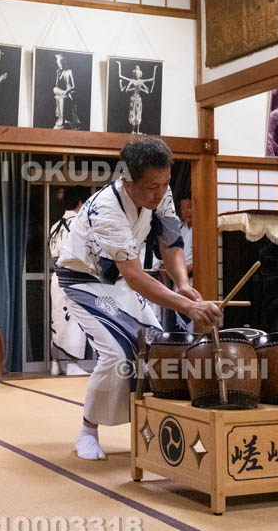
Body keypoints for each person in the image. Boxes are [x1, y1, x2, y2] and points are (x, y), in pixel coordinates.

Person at [57, 138, 222, 459]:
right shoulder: (107, 208)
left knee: (157, 347)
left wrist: (183, 284)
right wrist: (189, 306)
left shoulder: (161, 192)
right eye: (152, 187)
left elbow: (170, 242)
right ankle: (88, 430)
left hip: (120, 279)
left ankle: (151, 429)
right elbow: (134, 276)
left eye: (165, 184)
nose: (159, 193)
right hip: (84, 280)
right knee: (117, 353)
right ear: (127, 180)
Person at [48, 186, 92, 377]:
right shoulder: (78, 224)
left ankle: (55, 362)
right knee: (75, 320)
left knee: (58, 318)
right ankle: (72, 364)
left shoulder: (55, 226)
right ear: (81, 203)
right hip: (73, 277)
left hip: (57, 277)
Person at [116, 61, 158, 135]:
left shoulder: (141, 81)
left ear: (140, 74)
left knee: (138, 114)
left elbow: (152, 79)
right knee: (132, 113)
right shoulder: (132, 80)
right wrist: (119, 64)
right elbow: (121, 76)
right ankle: (133, 130)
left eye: (138, 74)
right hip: (133, 99)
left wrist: (155, 68)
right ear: (134, 74)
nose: (137, 75)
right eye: (136, 74)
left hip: (138, 99)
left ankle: (137, 131)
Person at [53, 53, 82, 130]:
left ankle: (62, 120)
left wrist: (67, 91)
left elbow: (74, 86)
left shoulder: (70, 71)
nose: (60, 65)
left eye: (61, 63)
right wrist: (57, 76)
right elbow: (57, 86)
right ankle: (61, 119)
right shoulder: (62, 72)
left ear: (65, 62)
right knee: (54, 89)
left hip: (71, 92)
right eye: (59, 64)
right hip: (64, 92)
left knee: (62, 98)